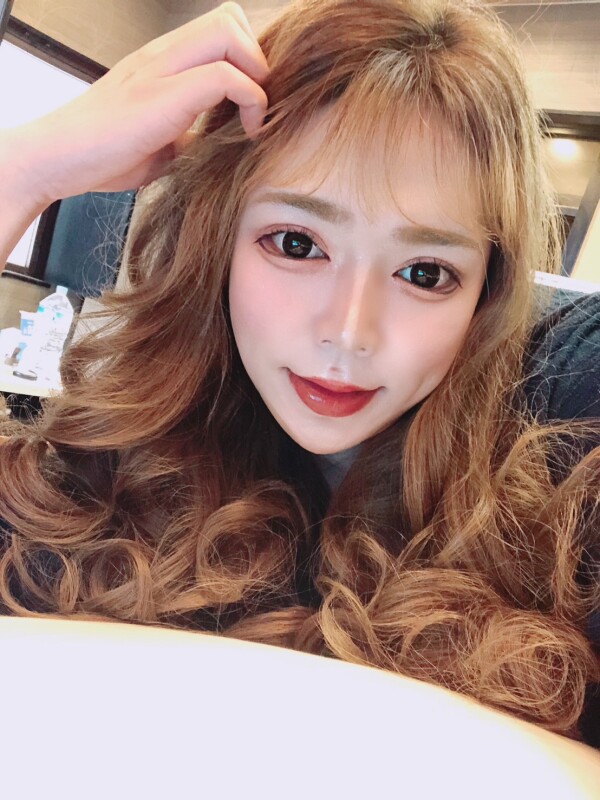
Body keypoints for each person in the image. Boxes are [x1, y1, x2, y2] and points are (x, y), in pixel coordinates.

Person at [0, 0, 599, 748]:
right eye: (295, 243)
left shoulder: (557, 403)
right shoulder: (108, 470)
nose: (347, 333)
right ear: (216, 237)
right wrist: (23, 168)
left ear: (488, 289)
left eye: (424, 272)